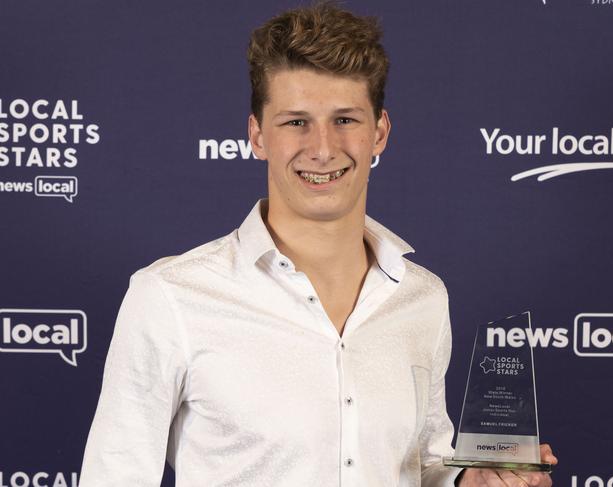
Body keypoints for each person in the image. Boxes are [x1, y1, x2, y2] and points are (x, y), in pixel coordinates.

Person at [79, 3, 557, 486]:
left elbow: (421, 461)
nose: (323, 148)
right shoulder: (170, 296)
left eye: (345, 120)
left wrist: (464, 480)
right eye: (296, 122)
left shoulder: (424, 298)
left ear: (380, 133)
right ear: (257, 135)